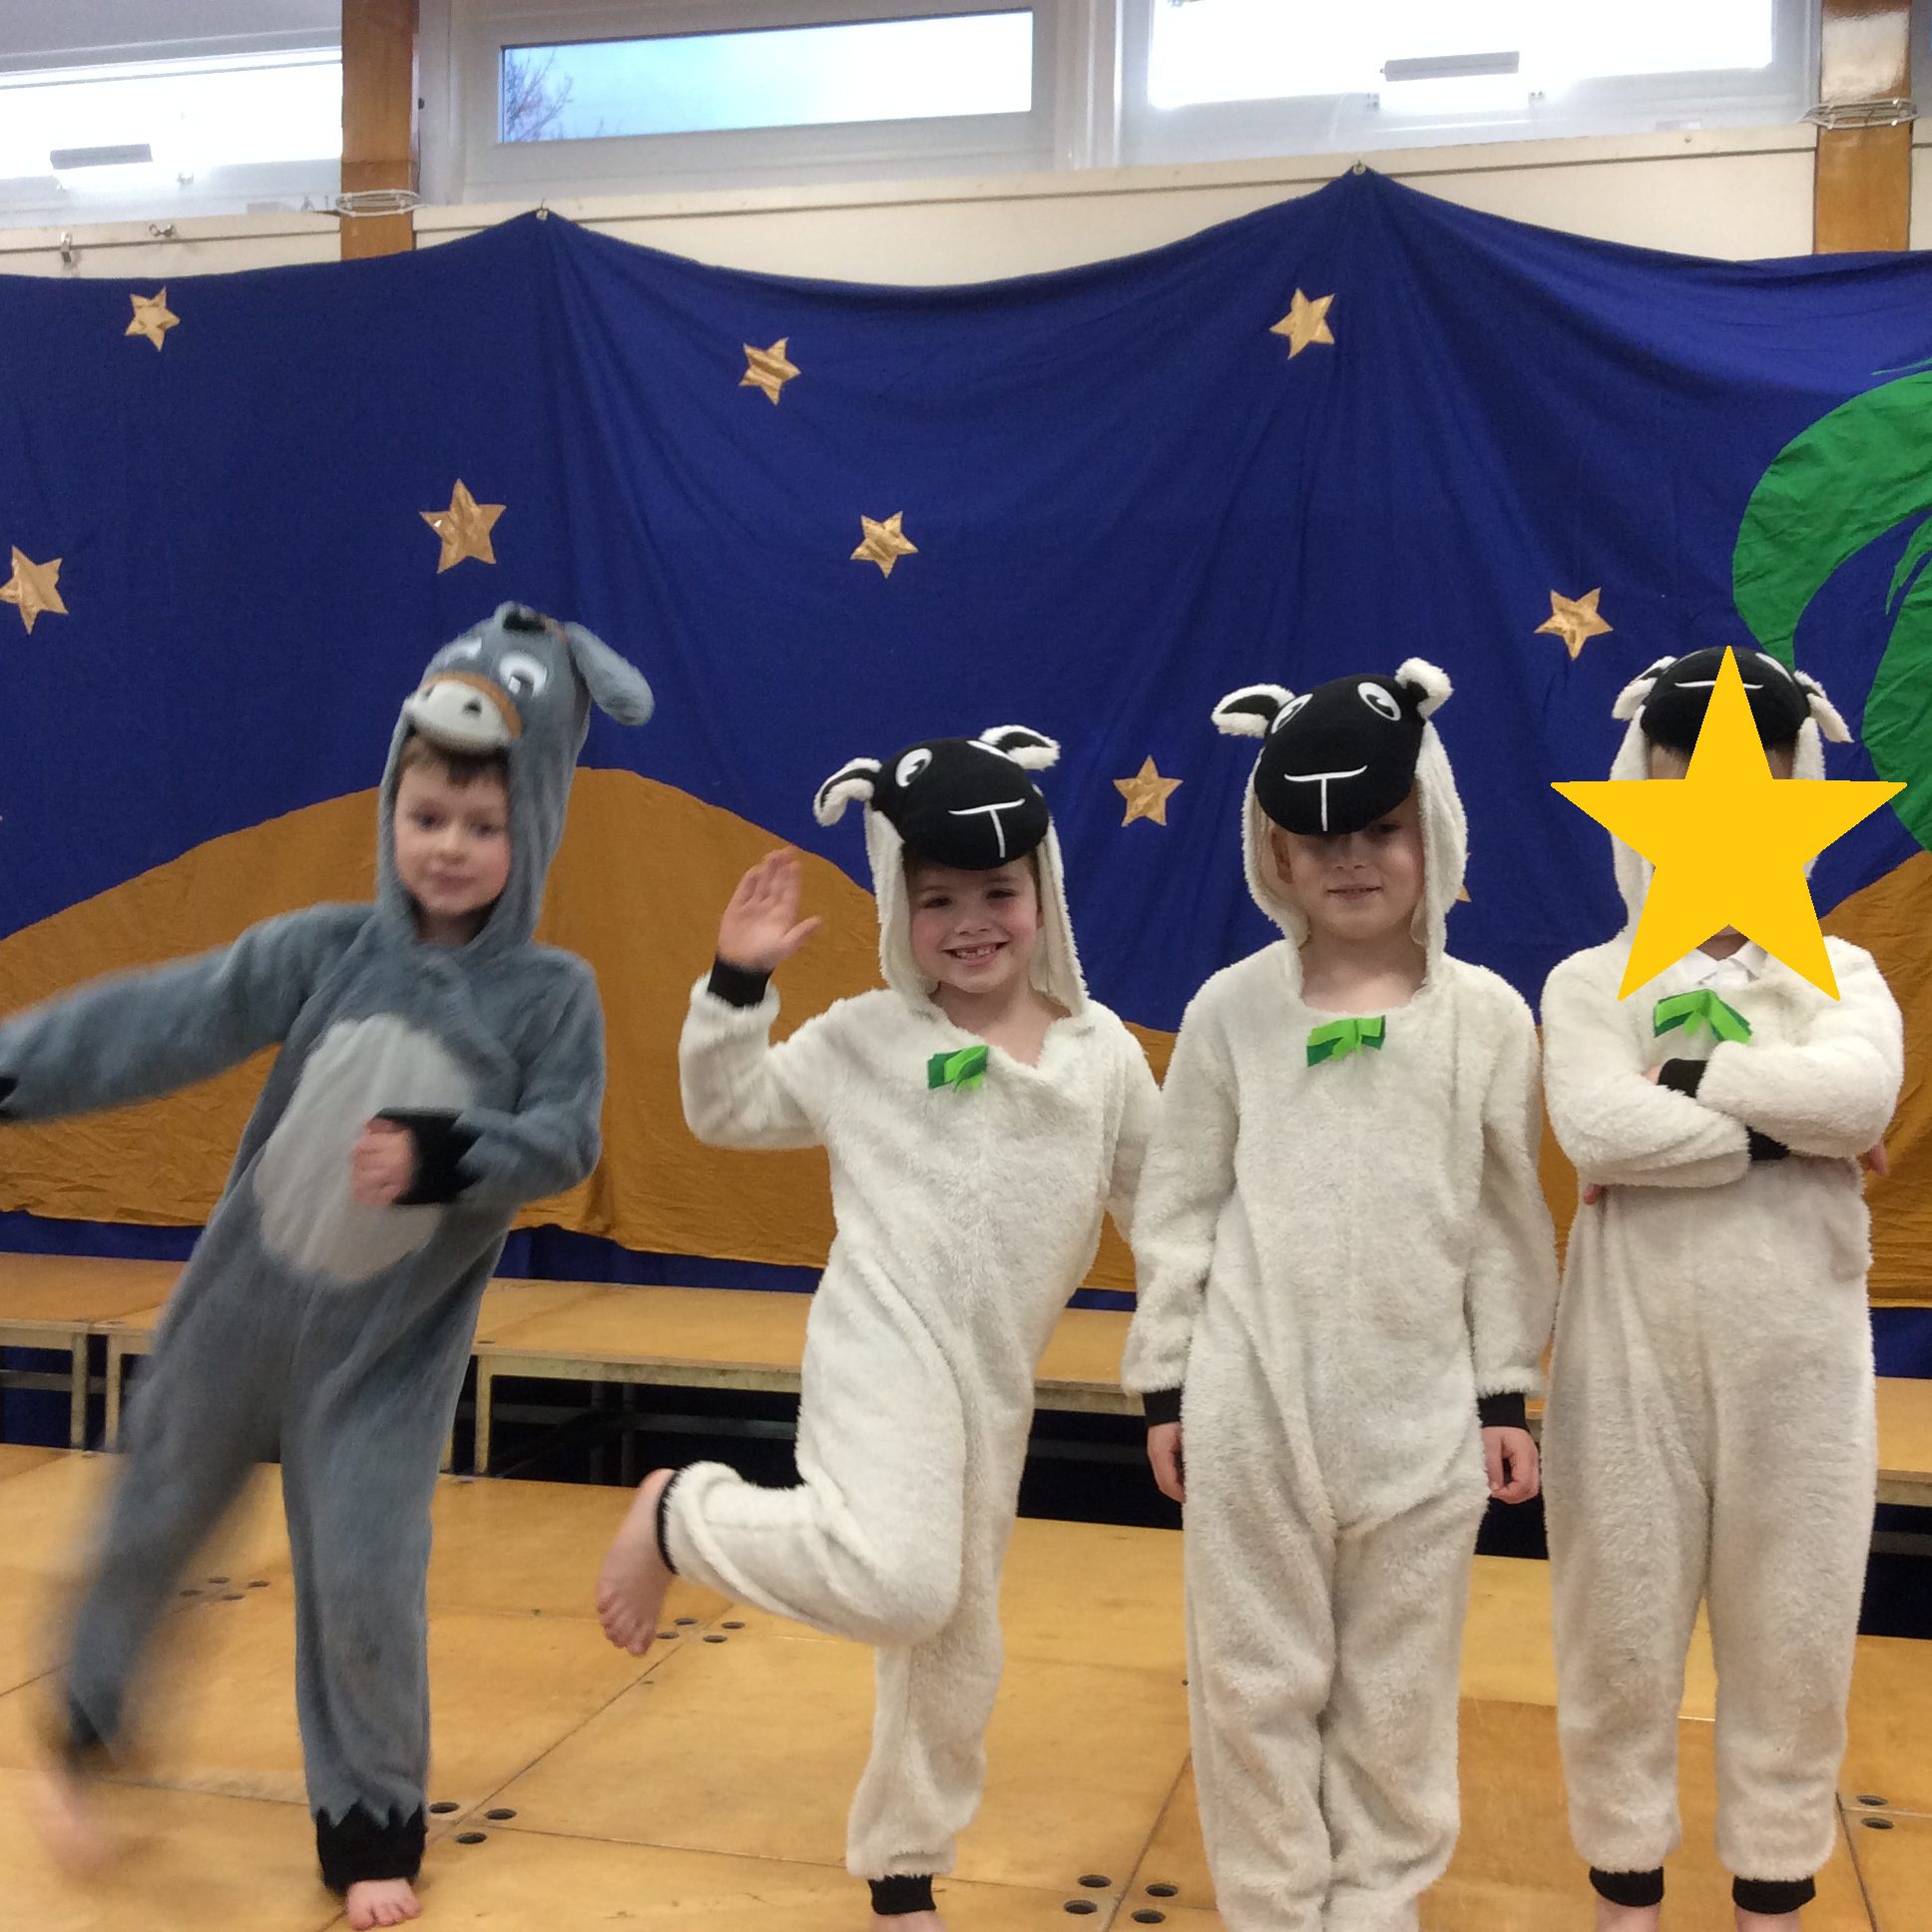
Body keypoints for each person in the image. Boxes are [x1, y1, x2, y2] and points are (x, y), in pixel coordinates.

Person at [2, 602, 652, 1931]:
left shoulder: (550, 996)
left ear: (533, 828)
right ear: (390, 810)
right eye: (427, 816)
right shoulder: (324, 953)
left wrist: (444, 1153)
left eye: (484, 825)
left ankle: (368, 1827)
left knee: (363, 1577)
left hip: (381, 1359)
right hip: (238, 1314)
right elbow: (166, 1017)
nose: (450, 847)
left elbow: (566, 1142)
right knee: (148, 1519)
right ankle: (81, 1739)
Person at [597, 724, 1156, 1932]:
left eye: (997, 892)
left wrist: (1182, 1370)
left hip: (993, 1380)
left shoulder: (1102, 1055)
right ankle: (681, 1511)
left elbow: (1168, 1212)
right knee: (900, 1583)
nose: (970, 922)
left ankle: (904, 1870)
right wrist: (735, 987)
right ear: (898, 906)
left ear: (1043, 891)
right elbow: (726, 1109)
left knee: (956, 1638)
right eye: (936, 897)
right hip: (881, 1345)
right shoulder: (865, 1038)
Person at [1122, 661, 1556, 1932]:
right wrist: (1165, 1381)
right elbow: (1179, 1205)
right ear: (1273, 852)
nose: (1351, 858)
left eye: (1380, 828)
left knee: (1399, 1687)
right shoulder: (1228, 1012)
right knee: (1252, 1680)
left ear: (1434, 830)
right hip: (1252, 1407)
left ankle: (1375, 1898)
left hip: (1422, 1422)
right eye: (1317, 838)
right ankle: (1272, 1904)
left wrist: (1502, 1391)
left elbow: (1506, 1223)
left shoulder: (1489, 1019)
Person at [1540, 647, 1904, 1932]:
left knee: (1794, 1639)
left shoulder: (1842, 977)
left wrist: (1687, 1085)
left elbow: (1856, 1098)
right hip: (1625, 1364)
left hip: (1800, 1370)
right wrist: (1782, 1135)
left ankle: (1773, 1897)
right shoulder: (1590, 981)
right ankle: (1623, 1896)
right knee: (1617, 1635)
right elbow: (1596, 1127)